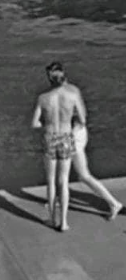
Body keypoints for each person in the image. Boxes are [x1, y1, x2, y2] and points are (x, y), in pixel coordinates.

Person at [31, 61, 82, 231]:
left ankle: (53, 219)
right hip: (66, 136)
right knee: (64, 181)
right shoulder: (72, 95)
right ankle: (64, 222)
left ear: (49, 78)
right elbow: (81, 119)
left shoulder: (43, 98)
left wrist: (47, 124)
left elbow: (34, 123)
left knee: (51, 181)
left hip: (50, 136)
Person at [70, 90, 123, 221]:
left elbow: (74, 128)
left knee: (84, 175)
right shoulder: (76, 104)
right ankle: (59, 197)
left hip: (74, 141)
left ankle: (114, 203)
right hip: (78, 138)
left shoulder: (72, 111)